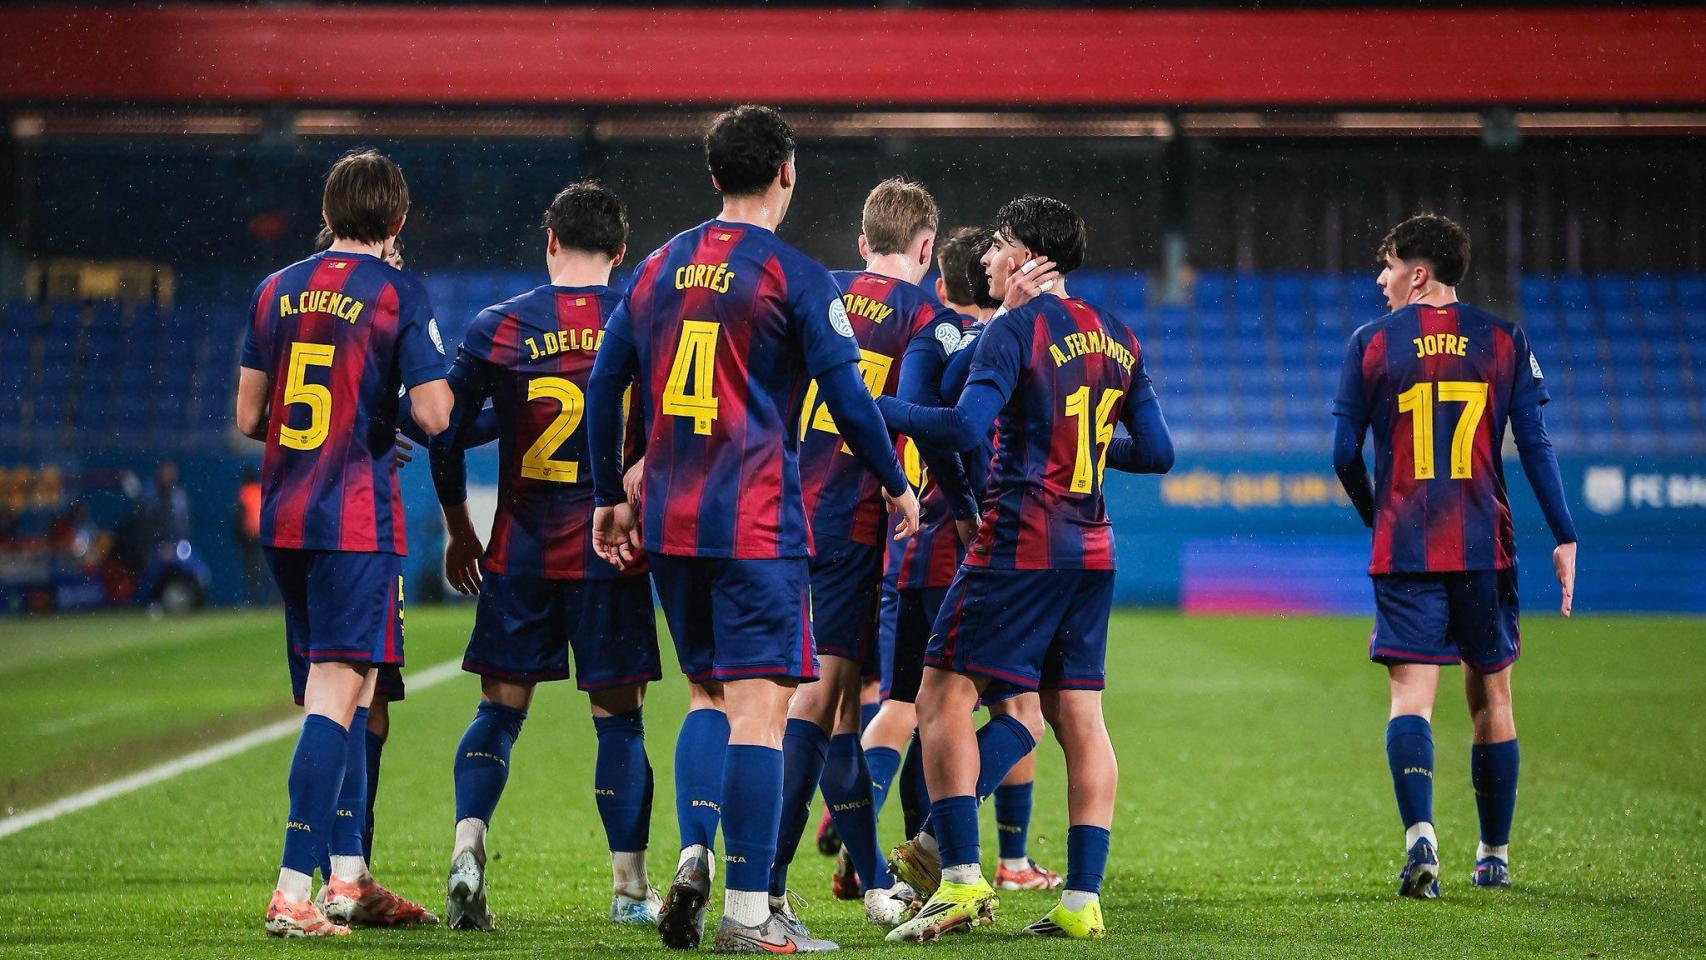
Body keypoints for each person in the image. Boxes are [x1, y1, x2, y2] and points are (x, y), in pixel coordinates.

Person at [585, 104, 919, 953]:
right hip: (757, 520)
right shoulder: (795, 276)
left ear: (713, 175)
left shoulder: (658, 265)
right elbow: (849, 399)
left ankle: (695, 852)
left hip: (670, 521)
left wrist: (607, 493)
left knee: (706, 695)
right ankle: (747, 913)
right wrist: (895, 483)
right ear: (787, 173)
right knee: (762, 714)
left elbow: (604, 380)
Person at [876, 196, 1174, 941]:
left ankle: (959, 880)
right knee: (1080, 719)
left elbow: (961, 425)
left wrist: (873, 405)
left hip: (1018, 544)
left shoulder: (1017, 329)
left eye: (998, 242)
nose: (985, 256)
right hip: (1093, 549)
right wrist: (1085, 445)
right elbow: (1158, 452)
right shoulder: (1119, 335)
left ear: (1027, 256)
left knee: (941, 697)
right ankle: (1081, 902)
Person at [425, 181, 664, 930]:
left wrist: (459, 526)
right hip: (611, 552)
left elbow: (444, 431)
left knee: (497, 714)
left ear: (550, 240)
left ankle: (468, 847)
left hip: (519, 552)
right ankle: (630, 890)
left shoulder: (499, 326)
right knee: (619, 725)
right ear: (620, 251)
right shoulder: (644, 320)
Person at [1331, 213, 1578, 898]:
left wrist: (1376, 513)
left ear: (1418, 275)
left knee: (1410, 697)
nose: (1380, 280)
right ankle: (1493, 856)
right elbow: (1535, 445)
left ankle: (1421, 840)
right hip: (1482, 546)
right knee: (1491, 696)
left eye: (1387, 266)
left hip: (1406, 544)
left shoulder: (1371, 343)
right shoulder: (1503, 339)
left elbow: (1343, 454)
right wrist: (1564, 535)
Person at [236, 148, 450, 937]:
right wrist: (383, 411)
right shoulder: (396, 291)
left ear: (327, 215)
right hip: (353, 519)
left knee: (355, 695)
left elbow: (250, 417)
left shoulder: (274, 289)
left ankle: (349, 878)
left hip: (286, 515)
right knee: (338, 693)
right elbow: (435, 413)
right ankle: (293, 890)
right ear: (398, 219)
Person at [770, 178, 973, 924]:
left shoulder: (814, 289)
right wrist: (959, 504)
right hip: (850, 518)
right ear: (927, 248)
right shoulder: (927, 318)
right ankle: (765, 888)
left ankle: (871, 880)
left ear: (863, 243)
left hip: (778, 503)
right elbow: (929, 417)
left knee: (843, 713)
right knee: (819, 697)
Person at [862, 226, 1063, 907]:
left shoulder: (934, 338)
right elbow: (962, 427)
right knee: (1019, 712)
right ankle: (976, 853)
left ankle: (878, 845)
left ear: (942, 283)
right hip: (988, 547)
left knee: (912, 709)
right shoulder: (1022, 344)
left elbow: (929, 421)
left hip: (915, 543)